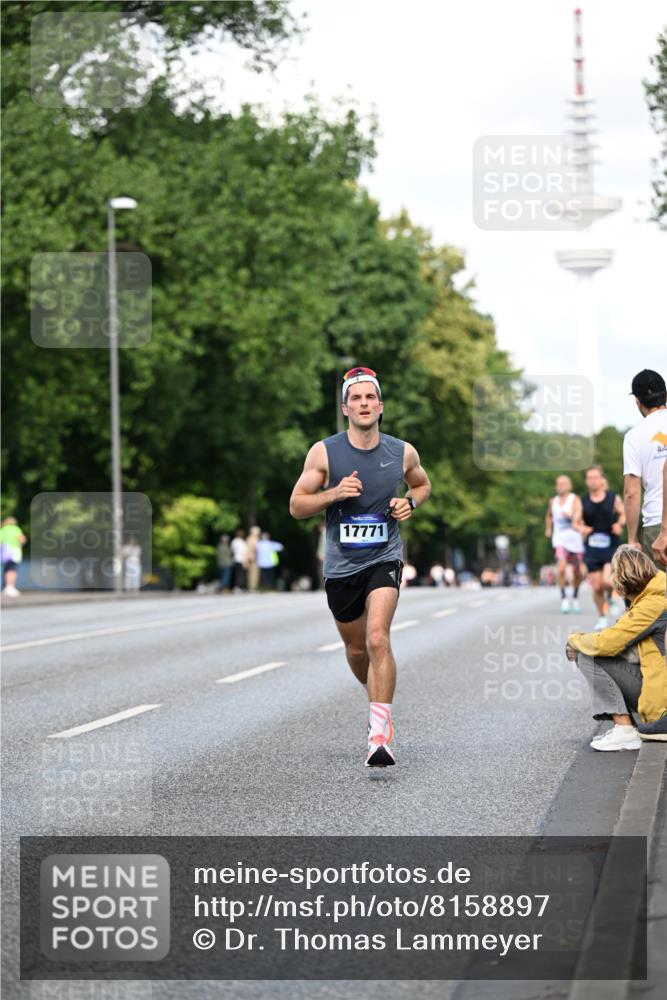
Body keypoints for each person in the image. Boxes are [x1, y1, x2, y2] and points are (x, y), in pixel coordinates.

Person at [289, 365, 431, 768]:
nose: (364, 404)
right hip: (341, 565)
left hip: (384, 556)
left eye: (371, 397)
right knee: (356, 650)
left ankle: (380, 734)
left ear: (380, 406)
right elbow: (297, 505)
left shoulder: (401, 451)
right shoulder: (324, 452)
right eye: (357, 398)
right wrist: (333, 493)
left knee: (377, 638)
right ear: (345, 408)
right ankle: (375, 701)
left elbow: (421, 484)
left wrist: (411, 503)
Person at [565, 545, 667, 751]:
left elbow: (607, 643)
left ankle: (624, 730)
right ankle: (624, 727)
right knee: (596, 650)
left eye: (613, 572)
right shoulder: (654, 595)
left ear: (622, 577)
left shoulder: (653, 603)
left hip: (661, 700)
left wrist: (574, 639)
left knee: (587, 654)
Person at [572, 466, 625, 630]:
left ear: (602, 479)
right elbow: (575, 522)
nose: (593, 481)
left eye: (596, 477)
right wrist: (582, 529)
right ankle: (602, 616)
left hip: (610, 544)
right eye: (589, 478)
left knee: (608, 582)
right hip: (592, 547)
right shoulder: (581, 501)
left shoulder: (613, 498)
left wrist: (619, 524)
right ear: (586, 481)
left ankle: (610, 597)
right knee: (596, 586)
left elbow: (623, 514)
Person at [623, 369, 667, 566]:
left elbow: (631, 492)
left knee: (659, 595)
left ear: (637, 402)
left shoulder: (634, 436)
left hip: (656, 526)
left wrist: (632, 539)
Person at [544, 475, 584, 613]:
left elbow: (579, 513)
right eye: (558, 484)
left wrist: (572, 516)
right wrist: (548, 528)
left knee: (577, 572)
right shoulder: (553, 501)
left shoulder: (574, 499)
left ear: (569, 486)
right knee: (560, 569)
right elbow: (549, 515)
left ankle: (575, 596)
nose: (560, 486)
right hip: (559, 540)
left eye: (563, 483)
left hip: (575, 540)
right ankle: (564, 598)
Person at [1, 516, 27, 597]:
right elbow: (22, 539)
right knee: (12, 569)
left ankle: (5, 587)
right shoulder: (16, 529)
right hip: (13, 551)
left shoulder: (3, 530)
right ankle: (10, 587)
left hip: (4, 552)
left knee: (6, 569)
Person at [246, 525, 261, 592]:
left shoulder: (249, 538)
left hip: (249, 557)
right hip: (254, 557)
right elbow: (256, 548)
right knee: (254, 573)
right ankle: (253, 587)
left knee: (250, 573)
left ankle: (251, 587)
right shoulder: (254, 539)